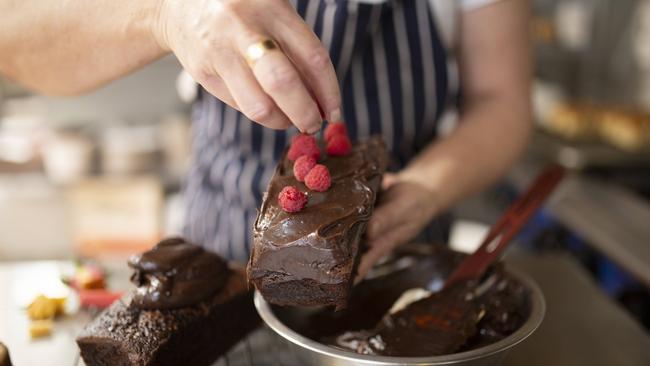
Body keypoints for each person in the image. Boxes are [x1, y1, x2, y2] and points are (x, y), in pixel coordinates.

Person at [0, 0, 531, 278]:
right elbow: (15, 41)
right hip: (221, 264)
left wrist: (428, 188)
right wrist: (166, 11)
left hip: (398, 261)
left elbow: (503, 102)